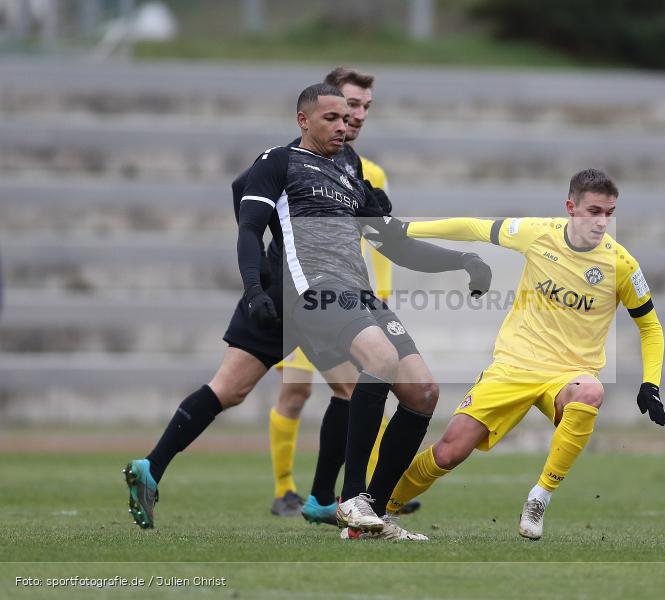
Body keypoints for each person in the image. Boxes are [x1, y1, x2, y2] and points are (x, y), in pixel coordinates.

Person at [124, 83, 491, 542]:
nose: (347, 123)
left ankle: (354, 507)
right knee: (350, 373)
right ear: (305, 118)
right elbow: (248, 225)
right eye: (337, 115)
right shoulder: (278, 161)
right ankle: (348, 499)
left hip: (354, 292)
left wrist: (461, 260)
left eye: (354, 114)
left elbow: (393, 241)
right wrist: (254, 287)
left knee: (421, 391)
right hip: (302, 290)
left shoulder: (351, 172)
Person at [365, 169, 665, 540]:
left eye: (609, 212)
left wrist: (651, 384)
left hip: (569, 374)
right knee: (448, 453)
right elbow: (475, 228)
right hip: (514, 365)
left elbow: (650, 326)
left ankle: (539, 498)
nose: (602, 221)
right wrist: (405, 230)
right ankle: (379, 511)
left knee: (591, 392)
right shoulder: (538, 233)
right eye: (593, 211)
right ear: (571, 208)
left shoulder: (621, 264)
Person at [262, 67, 419, 522]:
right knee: (296, 391)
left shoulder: (368, 171)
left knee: (356, 389)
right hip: (310, 297)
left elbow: (380, 236)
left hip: (354, 298)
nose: (358, 115)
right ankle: (287, 491)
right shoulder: (293, 163)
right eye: (351, 105)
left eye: (366, 107)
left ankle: (341, 494)